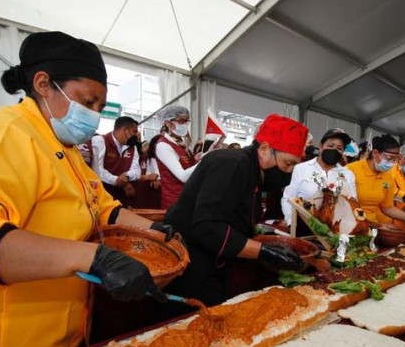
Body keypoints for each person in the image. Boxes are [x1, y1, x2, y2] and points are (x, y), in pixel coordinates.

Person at [0, 31, 174, 347]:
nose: (95, 116)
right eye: (87, 102)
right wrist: (95, 258)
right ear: (43, 84)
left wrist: (160, 234)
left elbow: (103, 209)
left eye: (99, 107)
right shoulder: (3, 136)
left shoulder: (63, 148)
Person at [162, 114, 307, 308]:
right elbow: (206, 227)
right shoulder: (232, 164)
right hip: (190, 263)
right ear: (264, 149)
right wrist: (262, 251)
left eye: (294, 166)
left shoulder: (253, 172)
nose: (289, 172)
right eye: (287, 164)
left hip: (212, 260)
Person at [279, 128, 357, 234]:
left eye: (339, 148)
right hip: (303, 227)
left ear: (343, 152)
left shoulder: (348, 175)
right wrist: (291, 222)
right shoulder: (301, 168)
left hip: (334, 231)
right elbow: (288, 198)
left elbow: (353, 205)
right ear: (320, 147)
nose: (334, 150)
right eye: (330, 146)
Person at [346, 135, 405, 227]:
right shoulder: (350, 170)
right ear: (375, 153)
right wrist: (368, 223)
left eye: (396, 159)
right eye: (390, 158)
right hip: (349, 223)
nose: (392, 163)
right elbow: (343, 204)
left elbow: (387, 207)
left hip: (372, 224)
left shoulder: (387, 177)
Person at [153, 105, 199, 209]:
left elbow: (187, 167)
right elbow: (183, 176)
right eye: (181, 121)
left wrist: (199, 158)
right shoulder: (163, 146)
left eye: (187, 121)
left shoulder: (180, 144)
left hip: (187, 199)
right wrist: (205, 161)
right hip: (174, 203)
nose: (185, 125)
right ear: (167, 123)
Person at [89, 116, 141, 204]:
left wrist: (126, 176)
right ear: (125, 130)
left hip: (123, 198)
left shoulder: (133, 148)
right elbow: (97, 171)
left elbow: (137, 171)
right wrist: (117, 180)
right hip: (102, 196)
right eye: (134, 131)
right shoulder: (99, 141)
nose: (136, 135)